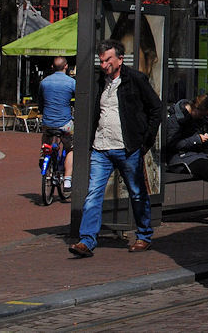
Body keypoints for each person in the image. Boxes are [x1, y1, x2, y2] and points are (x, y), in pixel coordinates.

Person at [69, 39, 162, 258]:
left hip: (127, 148)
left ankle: (144, 236)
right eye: (101, 61)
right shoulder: (99, 81)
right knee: (93, 194)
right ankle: (87, 240)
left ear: (120, 59)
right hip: (101, 147)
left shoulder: (136, 79)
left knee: (137, 193)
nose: (104, 65)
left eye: (108, 60)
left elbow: (156, 109)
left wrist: (144, 142)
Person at [165, 89, 208, 206]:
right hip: (181, 158)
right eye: (202, 115)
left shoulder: (195, 118)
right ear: (196, 110)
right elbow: (173, 144)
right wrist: (196, 140)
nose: (202, 118)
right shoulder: (176, 120)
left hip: (195, 154)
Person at [38, 56, 76, 190]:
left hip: (48, 121)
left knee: (46, 139)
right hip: (64, 122)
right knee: (71, 148)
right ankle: (67, 179)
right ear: (66, 66)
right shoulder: (71, 83)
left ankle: (44, 154)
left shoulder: (44, 82)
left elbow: (41, 103)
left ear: (52, 67)